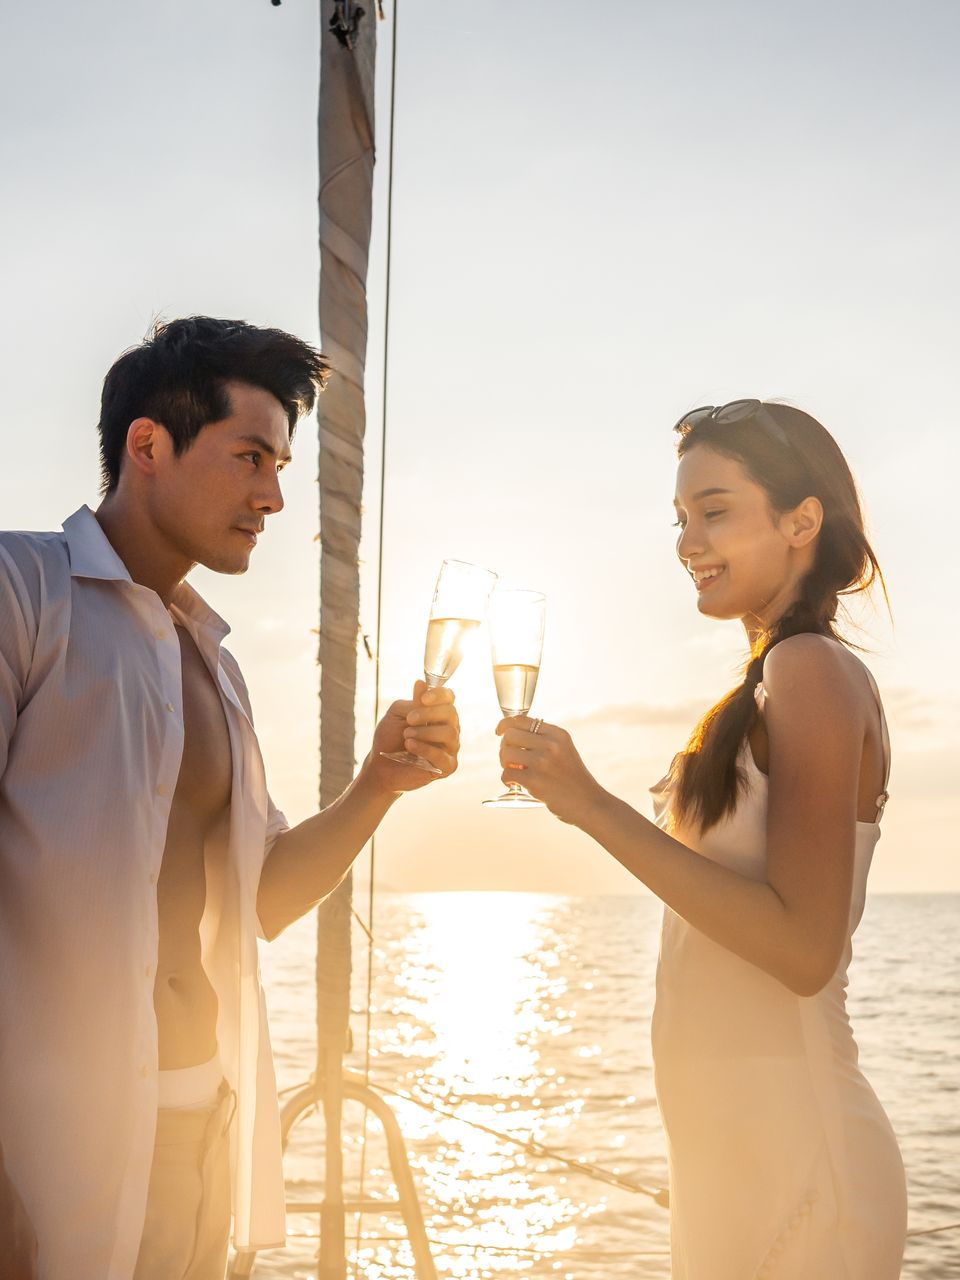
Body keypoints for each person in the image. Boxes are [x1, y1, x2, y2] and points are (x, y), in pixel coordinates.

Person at [0, 317, 460, 1280]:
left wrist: (379, 783)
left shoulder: (216, 665)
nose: (275, 496)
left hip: (203, 1124)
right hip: (47, 1151)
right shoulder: (22, 591)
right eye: (252, 457)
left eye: (282, 465)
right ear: (148, 446)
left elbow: (262, 901)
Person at [497, 400, 907, 1279]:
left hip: (794, 1150)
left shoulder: (813, 672)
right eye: (681, 519)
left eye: (715, 511)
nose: (688, 541)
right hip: (729, 1153)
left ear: (803, 521)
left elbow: (803, 950)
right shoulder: (763, 682)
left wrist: (592, 807)